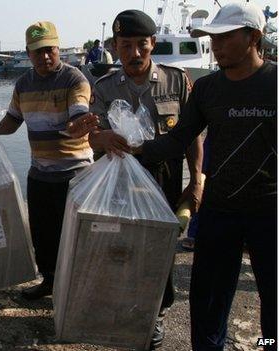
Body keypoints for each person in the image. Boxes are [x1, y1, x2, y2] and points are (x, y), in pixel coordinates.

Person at [127, 3, 276, 350]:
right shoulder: (208, 89)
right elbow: (178, 140)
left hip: (271, 212)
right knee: (208, 299)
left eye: (225, 38)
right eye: (213, 39)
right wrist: (132, 147)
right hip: (219, 210)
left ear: (254, 37)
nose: (216, 46)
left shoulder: (275, 83)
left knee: (275, 300)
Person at [88, 10, 204, 348]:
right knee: (119, 244)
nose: (135, 53)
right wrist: (101, 138)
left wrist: (196, 178)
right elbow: (92, 135)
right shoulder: (104, 86)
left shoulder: (177, 80)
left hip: (163, 176)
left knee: (160, 248)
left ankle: (157, 313)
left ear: (153, 44)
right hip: (119, 176)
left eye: (142, 45)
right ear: (115, 47)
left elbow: (194, 136)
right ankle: (123, 306)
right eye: (126, 46)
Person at [0, 21, 99, 300]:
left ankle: (75, 289)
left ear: (59, 48)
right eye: (38, 52)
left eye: (50, 50)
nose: (45, 57)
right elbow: (11, 122)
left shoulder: (74, 79)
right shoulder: (23, 84)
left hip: (75, 175)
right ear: (28, 53)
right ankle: (50, 282)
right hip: (39, 173)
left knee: (75, 235)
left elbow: (78, 111)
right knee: (43, 234)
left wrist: (79, 124)